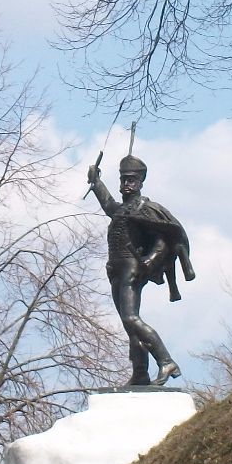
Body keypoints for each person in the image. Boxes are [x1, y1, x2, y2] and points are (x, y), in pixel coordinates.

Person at [86, 154, 196, 387]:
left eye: (131, 180)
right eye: (123, 180)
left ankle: (166, 361)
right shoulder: (122, 209)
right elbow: (108, 204)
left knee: (131, 318)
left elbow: (162, 240)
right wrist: (96, 182)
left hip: (132, 268)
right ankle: (140, 373)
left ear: (140, 182)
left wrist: (150, 260)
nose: (126, 184)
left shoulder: (145, 209)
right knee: (129, 324)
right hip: (115, 269)